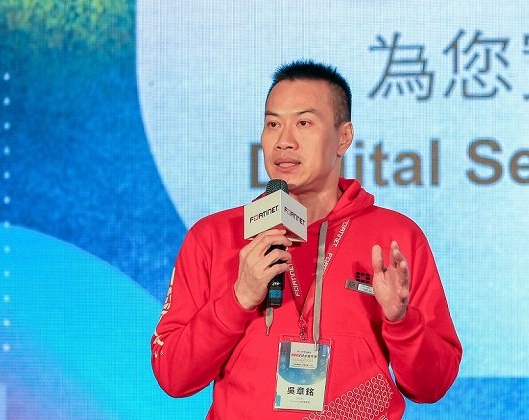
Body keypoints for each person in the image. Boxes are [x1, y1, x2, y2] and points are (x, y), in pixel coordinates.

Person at [150, 60, 462, 419]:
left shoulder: (395, 238)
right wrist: (238, 299)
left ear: (343, 137)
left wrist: (401, 322)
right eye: (273, 124)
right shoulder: (214, 236)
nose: (284, 141)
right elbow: (173, 376)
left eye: (303, 123)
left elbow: (432, 386)